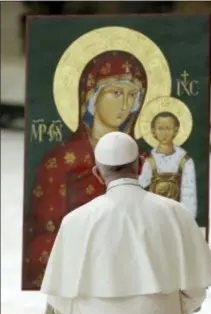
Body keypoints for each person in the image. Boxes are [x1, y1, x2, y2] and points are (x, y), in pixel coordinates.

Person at [41, 131, 211, 314]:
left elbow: (59, 299)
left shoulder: (74, 221)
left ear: (97, 173)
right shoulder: (176, 212)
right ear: (141, 166)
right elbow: (196, 291)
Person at [22, 50, 147, 290]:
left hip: (135, 283)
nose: (125, 104)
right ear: (91, 96)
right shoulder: (60, 161)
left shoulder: (144, 160)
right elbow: (43, 237)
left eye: (133, 95)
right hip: (78, 280)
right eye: (116, 92)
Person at [139, 109, 197, 218]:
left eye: (168, 128)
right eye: (160, 128)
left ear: (175, 130)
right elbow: (141, 184)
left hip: (176, 215)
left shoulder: (185, 161)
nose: (164, 133)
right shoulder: (149, 160)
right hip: (153, 215)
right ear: (153, 131)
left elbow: (189, 194)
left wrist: (188, 221)